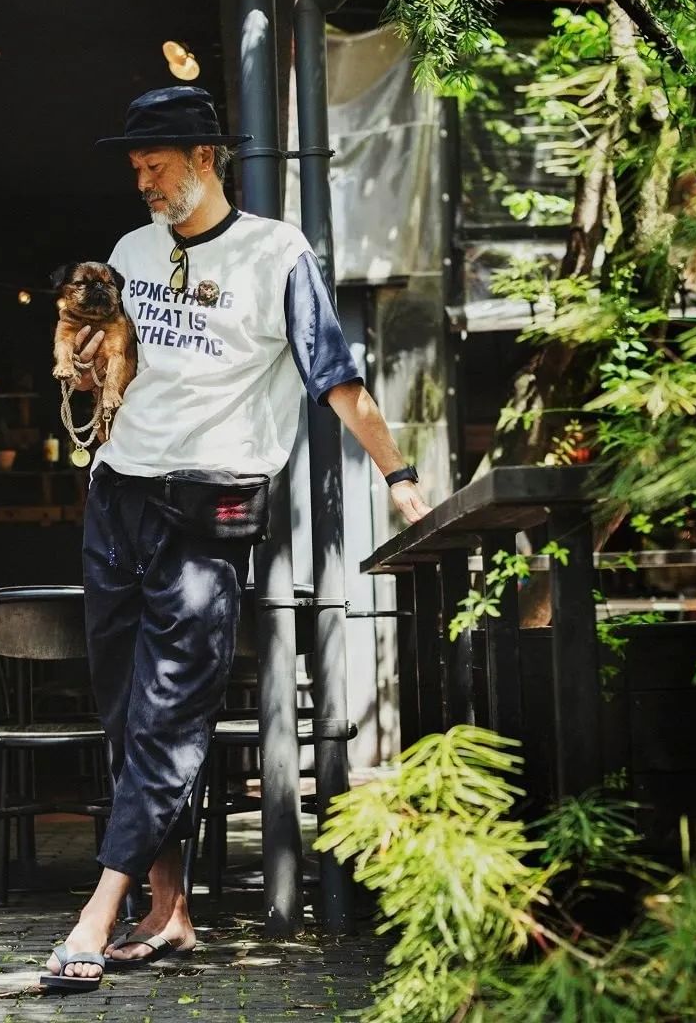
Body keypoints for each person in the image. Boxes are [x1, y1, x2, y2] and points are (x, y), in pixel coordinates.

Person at [43, 86, 431, 991]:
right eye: (135, 167)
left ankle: (96, 914)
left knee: (171, 709)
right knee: (124, 711)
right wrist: (84, 362)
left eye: (156, 165)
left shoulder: (276, 252)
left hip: (209, 503)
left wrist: (399, 476)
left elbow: (335, 378)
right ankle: (168, 910)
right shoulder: (129, 253)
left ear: (205, 158)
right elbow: (112, 365)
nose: (143, 181)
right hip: (117, 495)